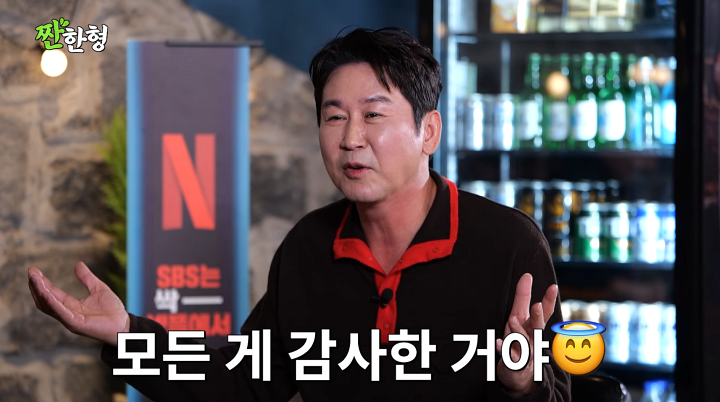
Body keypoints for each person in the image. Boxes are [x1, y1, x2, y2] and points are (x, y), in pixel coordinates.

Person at [28, 27, 571, 401]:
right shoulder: (311, 246)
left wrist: (522, 385)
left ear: (428, 131)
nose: (351, 139)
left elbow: (561, 395)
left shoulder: (507, 244)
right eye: (334, 118)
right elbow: (242, 381)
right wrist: (127, 336)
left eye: (373, 116)